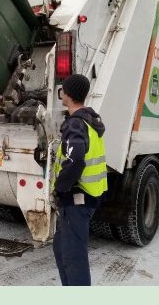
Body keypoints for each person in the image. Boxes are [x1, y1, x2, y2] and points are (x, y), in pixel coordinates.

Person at [51, 74, 108, 286]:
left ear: (68, 94)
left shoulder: (75, 124)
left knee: (73, 257)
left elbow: (75, 161)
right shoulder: (89, 121)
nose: (61, 94)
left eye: (63, 90)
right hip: (88, 196)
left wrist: (60, 188)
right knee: (61, 248)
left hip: (77, 199)